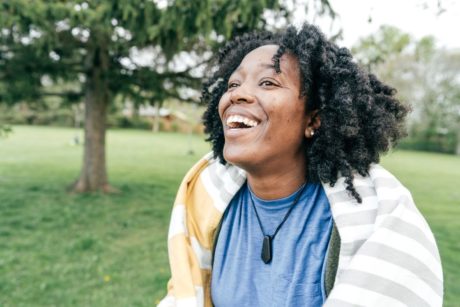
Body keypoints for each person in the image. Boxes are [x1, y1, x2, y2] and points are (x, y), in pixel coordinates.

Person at [158, 23, 443, 307]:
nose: (236, 94)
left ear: (313, 120)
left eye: (268, 82)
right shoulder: (205, 199)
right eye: (233, 84)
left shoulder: (377, 219)